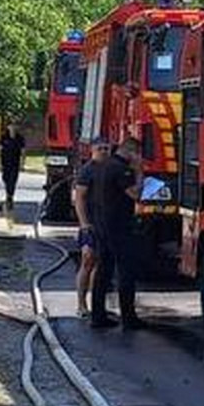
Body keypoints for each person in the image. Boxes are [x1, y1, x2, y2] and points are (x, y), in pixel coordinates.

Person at [89, 135, 144, 330]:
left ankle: (97, 315)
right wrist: (138, 172)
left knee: (103, 270)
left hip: (102, 224)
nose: (139, 158)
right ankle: (129, 318)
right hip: (119, 226)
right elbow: (135, 194)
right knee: (126, 270)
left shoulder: (104, 165)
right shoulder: (122, 169)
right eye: (137, 154)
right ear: (131, 152)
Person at [70, 137, 110, 319]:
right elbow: (79, 199)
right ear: (92, 150)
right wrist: (84, 224)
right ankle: (80, 304)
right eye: (100, 148)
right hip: (90, 225)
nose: (104, 151)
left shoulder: (111, 170)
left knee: (100, 266)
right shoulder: (87, 171)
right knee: (87, 261)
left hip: (105, 225)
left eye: (106, 148)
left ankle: (96, 305)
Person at [0, 123, 26, 214]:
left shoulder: (20, 138)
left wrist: (22, 164)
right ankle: (9, 195)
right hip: (5, 163)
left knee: (12, 180)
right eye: (10, 126)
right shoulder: (4, 137)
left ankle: (10, 197)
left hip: (15, 163)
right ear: (8, 127)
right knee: (5, 179)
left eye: (14, 126)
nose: (12, 128)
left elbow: (23, 152)